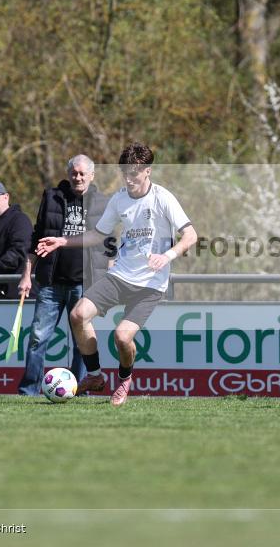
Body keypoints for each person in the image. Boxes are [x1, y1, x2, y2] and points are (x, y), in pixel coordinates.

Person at [36, 142, 197, 406]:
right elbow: (98, 234)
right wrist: (63, 241)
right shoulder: (119, 199)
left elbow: (191, 235)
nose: (129, 178)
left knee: (122, 337)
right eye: (125, 172)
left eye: (134, 173)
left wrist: (166, 256)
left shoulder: (163, 198)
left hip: (150, 285)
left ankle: (124, 380)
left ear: (147, 171)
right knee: (78, 315)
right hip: (121, 276)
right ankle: (95, 375)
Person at [16, 154, 115, 396]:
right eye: (74, 172)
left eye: (82, 173)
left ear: (92, 175)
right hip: (50, 283)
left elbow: (110, 244)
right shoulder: (51, 198)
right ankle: (29, 390)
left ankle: (80, 389)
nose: (77, 177)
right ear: (68, 173)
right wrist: (27, 275)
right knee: (38, 339)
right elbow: (36, 238)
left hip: (85, 285)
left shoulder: (103, 203)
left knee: (83, 343)